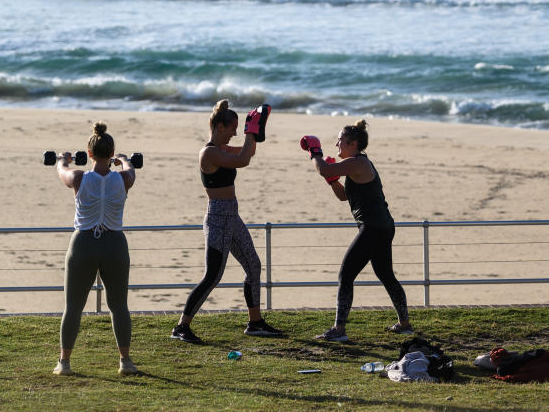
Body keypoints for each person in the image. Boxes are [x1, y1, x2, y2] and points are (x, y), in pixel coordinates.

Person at [171, 99, 283, 343]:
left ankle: (255, 323)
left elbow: (248, 152)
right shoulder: (209, 152)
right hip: (218, 218)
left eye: (237, 128)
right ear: (219, 127)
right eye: (232, 128)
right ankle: (181, 327)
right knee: (213, 276)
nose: (234, 133)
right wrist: (250, 130)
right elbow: (243, 160)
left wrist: (255, 128)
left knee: (253, 266)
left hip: (232, 216)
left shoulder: (221, 150)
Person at [300, 119, 412, 342]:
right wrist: (332, 181)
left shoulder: (357, 163)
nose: (337, 145)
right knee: (386, 275)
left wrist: (315, 151)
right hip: (382, 226)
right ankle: (404, 324)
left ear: (353, 143)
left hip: (373, 228)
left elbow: (323, 168)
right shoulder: (355, 165)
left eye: (340, 140)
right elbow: (344, 196)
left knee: (346, 275)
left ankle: (339, 330)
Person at [53, 122, 138, 376]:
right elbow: (131, 170)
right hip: (114, 244)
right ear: (111, 154)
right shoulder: (123, 178)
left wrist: (62, 159)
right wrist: (123, 160)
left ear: (89, 153)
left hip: (84, 243)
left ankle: (64, 362)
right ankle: (125, 361)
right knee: (119, 305)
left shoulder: (80, 178)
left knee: (73, 306)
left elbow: (63, 171)